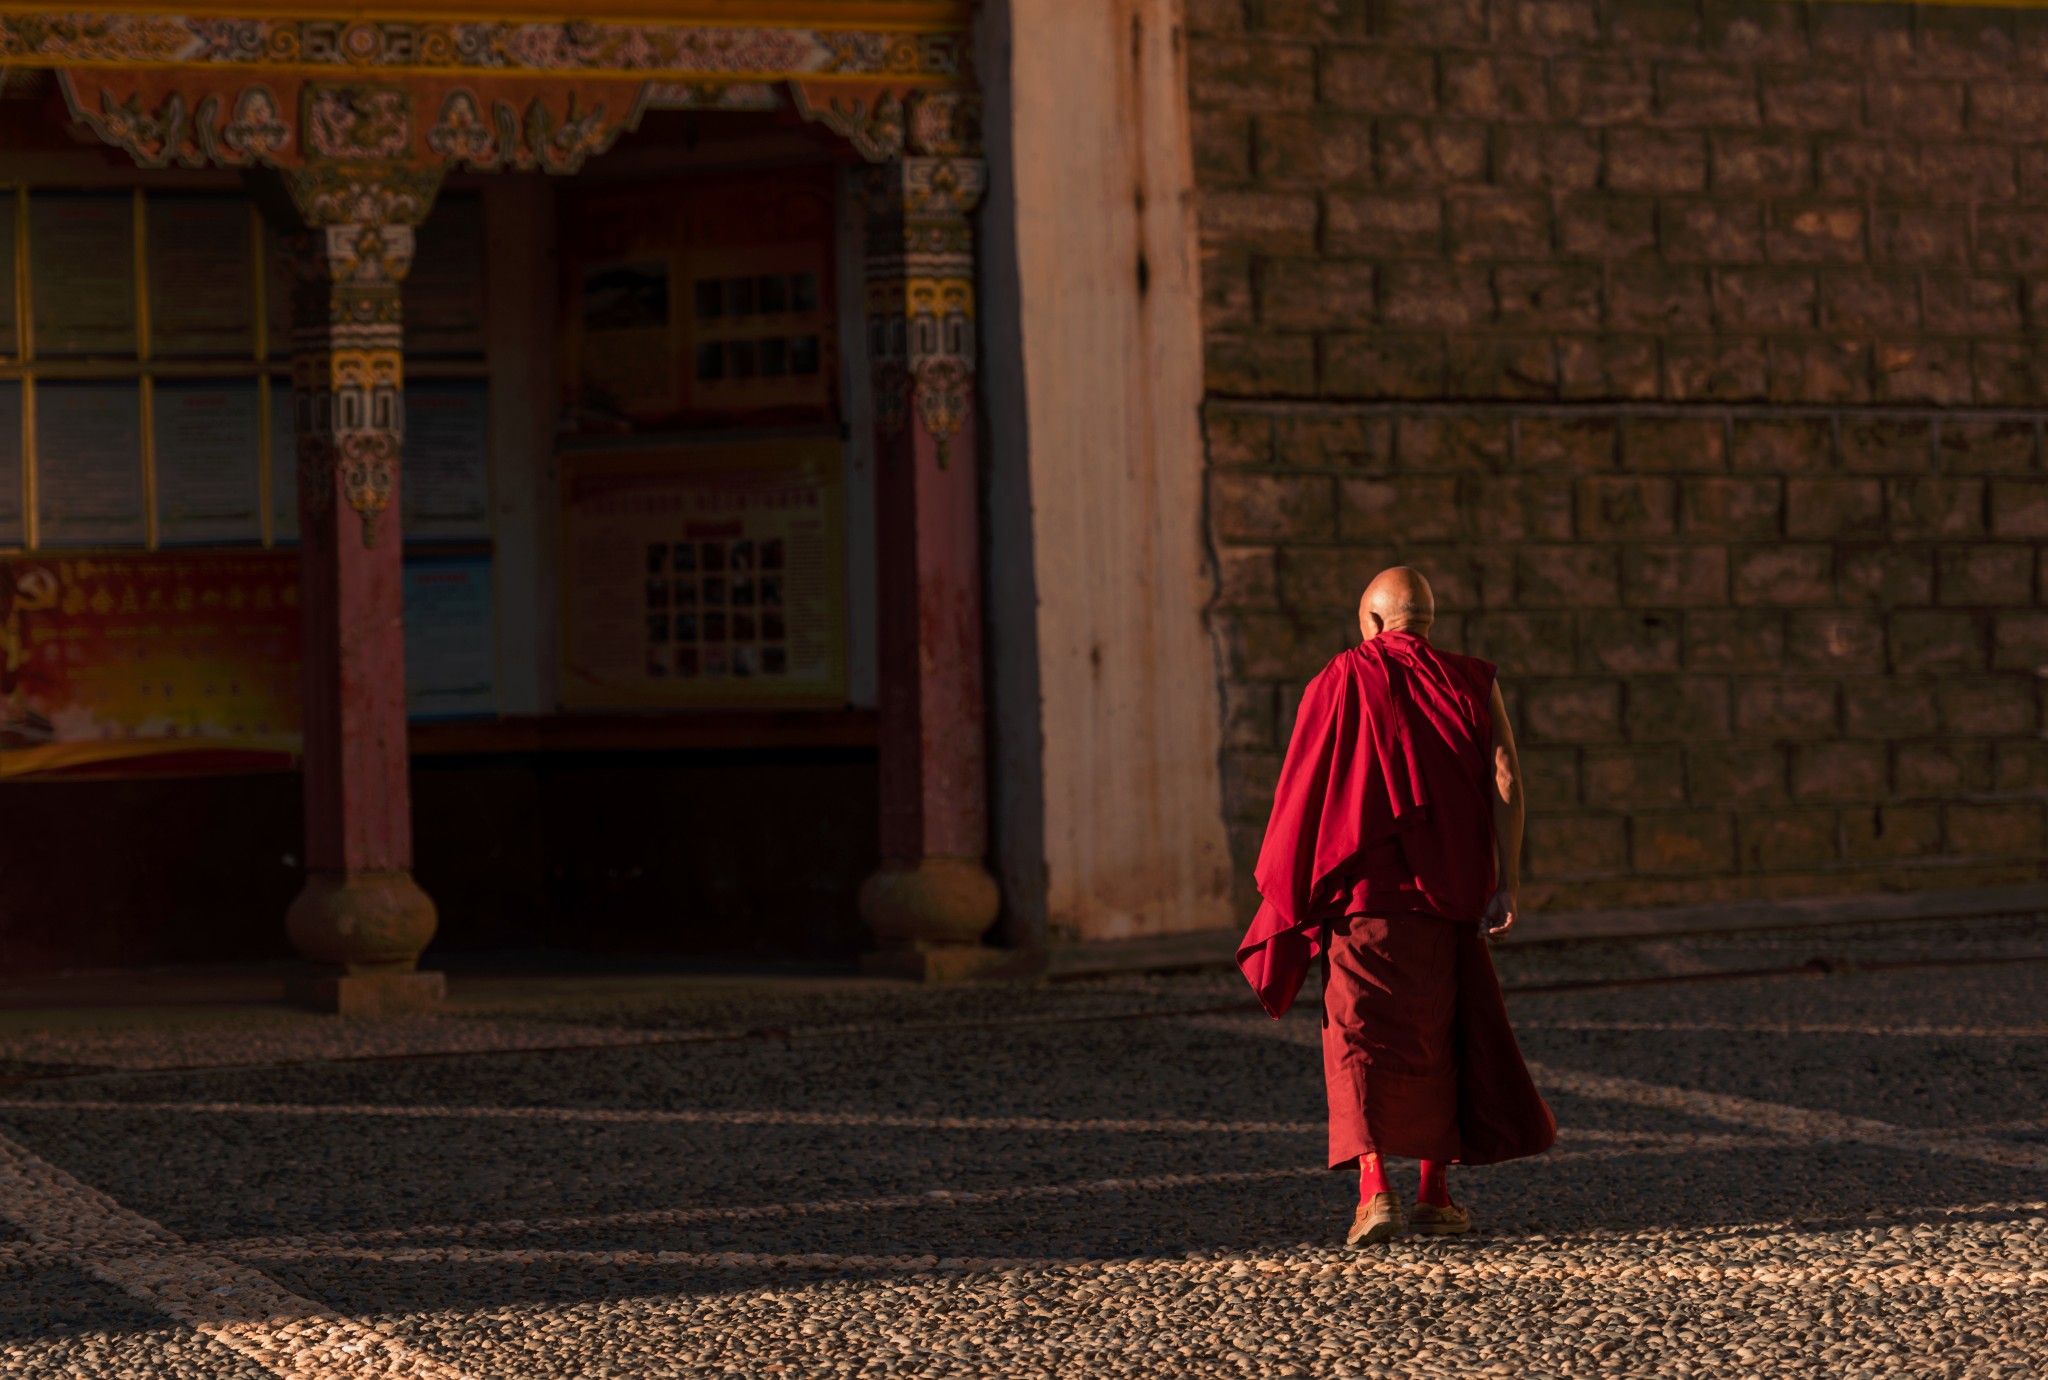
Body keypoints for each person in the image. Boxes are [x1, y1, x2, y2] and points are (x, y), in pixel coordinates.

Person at [1237, 567, 1555, 1246]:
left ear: (1372, 623)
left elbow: (1304, 784)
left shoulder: (1339, 677)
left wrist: (1290, 887)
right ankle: (1434, 1196)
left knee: (1360, 1037)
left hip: (1362, 898)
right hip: (1448, 891)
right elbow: (1505, 773)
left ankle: (1374, 1190)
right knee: (1443, 1033)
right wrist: (1508, 880)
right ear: (1427, 623)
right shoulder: (1471, 678)